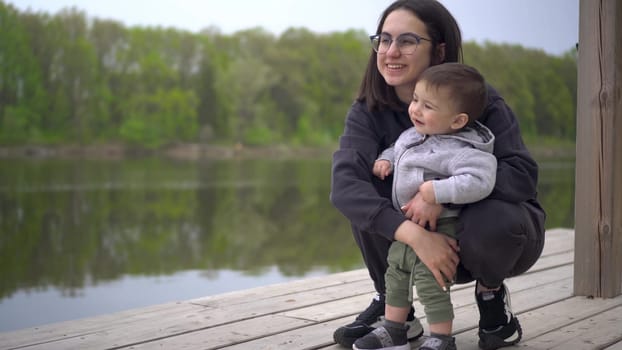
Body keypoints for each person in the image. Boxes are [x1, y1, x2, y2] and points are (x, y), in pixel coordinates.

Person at [329, 0, 546, 349]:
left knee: (495, 216)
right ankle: (396, 310)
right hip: (416, 242)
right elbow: (344, 186)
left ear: (439, 50)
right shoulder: (368, 111)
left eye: (407, 41)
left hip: (493, 237)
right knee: (366, 187)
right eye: (384, 40)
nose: (391, 51)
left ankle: (491, 299)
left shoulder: (475, 100)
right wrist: (416, 236)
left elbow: (521, 176)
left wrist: (439, 194)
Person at [353, 63, 495, 350]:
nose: (415, 109)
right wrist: (386, 159)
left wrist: (436, 193)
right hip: (408, 224)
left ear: (457, 121)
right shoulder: (416, 133)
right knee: (395, 272)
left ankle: (442, 338)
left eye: (427, 105)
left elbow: (480, 180)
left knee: (431, 280)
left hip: (440, 226)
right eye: (415, 100)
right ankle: (395, 330)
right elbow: (399, 147)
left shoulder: (462, 149)